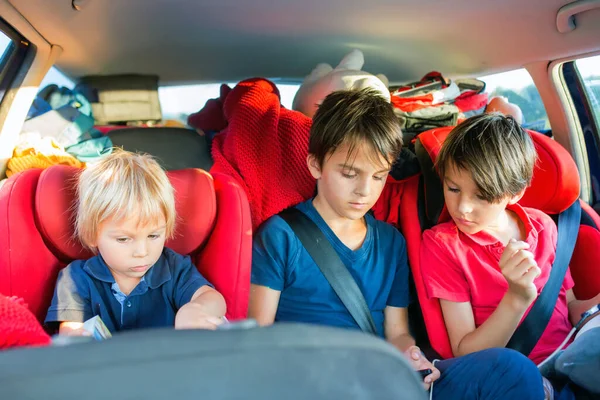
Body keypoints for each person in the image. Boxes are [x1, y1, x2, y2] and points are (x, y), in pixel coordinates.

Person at [250, 89, 545, 400]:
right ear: (315, 165)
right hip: (314, 381)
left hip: (384, 379)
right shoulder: (281, 236)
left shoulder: (391, 243)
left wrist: (410, 355)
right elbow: (257, 339)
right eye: (350, 174)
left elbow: (397, 332)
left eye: (379, 176)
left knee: (512, 370)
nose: (364, 191)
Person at [420, 113, 600, 398]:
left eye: (481, 196)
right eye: (453, 188)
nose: (463, 207)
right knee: (518, 371)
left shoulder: (545, 226)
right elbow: (464, 350)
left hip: (569, 359)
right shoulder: (443, 244)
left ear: (515, 193)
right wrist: (516, 297)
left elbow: (570, 306)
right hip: (508, 375)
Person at [45, 150, 226, 335]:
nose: (142, 252)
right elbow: (71, 331)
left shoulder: (174, 269)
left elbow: (212, 298)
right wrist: (79, 337)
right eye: (123, 239)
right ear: (92, 235)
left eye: (153, 236)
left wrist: (196, 310)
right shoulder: (76, 278)